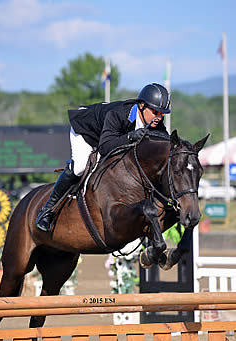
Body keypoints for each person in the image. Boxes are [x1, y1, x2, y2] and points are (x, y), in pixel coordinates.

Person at [36, 83, 171, 232]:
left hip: (109, 136)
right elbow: (105, 147)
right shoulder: (118, 114)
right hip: (86, 131)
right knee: (80, 167)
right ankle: (48, 210)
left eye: (162, 114)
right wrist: (130, 137)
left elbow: (165, 145)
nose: (159, 117)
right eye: (155, 111)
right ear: (141, 105)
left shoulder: (155, 122)